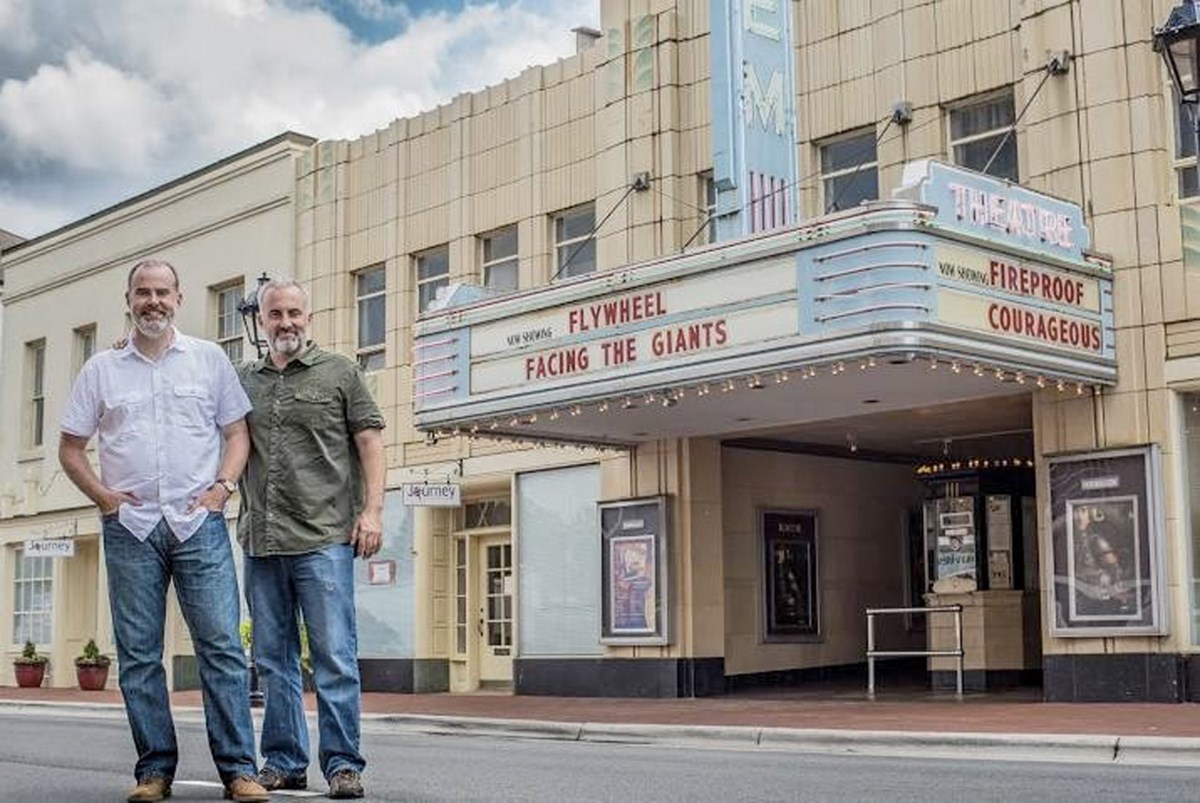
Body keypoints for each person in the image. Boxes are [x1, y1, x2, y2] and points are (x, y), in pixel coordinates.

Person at [58, 259, 269, 803]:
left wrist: (222, 488)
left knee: (222, 648)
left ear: (179, 298)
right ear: (129, 300)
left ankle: (239, 771)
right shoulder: (101, 370)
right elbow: (71, 447)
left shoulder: (208, 359)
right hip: (130, 527)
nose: (153, 301)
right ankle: (154, 770)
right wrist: (104, 497)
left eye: (162, 292)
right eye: (143, 292)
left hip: (198, 523)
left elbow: (237, 433)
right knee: (138, 655)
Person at [238, 278, 385, 800]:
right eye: (275, 314)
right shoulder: (242, 380)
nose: (286, 322)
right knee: (273, 660)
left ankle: (343, 765)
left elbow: (370, 441)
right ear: (261, 321)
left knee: (334, 657)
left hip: (324, 538)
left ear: (308, 317)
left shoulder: (340, 372)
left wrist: (372, 511)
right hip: (262, 540)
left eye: (294, 313)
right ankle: (284, 762)